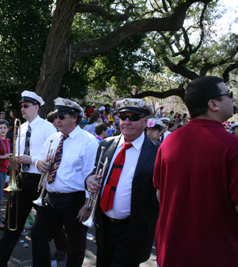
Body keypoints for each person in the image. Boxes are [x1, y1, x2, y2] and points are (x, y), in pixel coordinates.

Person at [153, 76, 238, 267]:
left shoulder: (168, 143)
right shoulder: (233, 146)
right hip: (218, 256)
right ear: (213, 104)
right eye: (229, 94)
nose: (232, 99)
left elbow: (160, 194)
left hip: (170, 253)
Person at [0, 90, 57, 267]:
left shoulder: (47, 127)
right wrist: (14, 161)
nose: (22, 109)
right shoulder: (20, 128)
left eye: (26, 106)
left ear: (36, 107)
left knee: (40, 231)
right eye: (21, 106)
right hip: (22, 179)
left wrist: (33, 160)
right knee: (12, 223)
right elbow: (18, 152)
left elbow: (53, 156)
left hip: (40, 181)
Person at [86, 98, 159, 267]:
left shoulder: (157, 151)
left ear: (146, 121)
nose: (127, 122)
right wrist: (88, 180)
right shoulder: (106, 144)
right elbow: (95, 173)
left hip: (133, 229)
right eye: (123, 116)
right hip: (104, 226)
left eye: (133, 117)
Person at [33, 97, 98, 267]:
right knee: (38, 236)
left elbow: (90, 177)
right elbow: (41, 157)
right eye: (55, 117)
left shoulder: (89, 141)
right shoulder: (54, 138)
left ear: (74, 117)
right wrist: (39, 163)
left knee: (76, 246)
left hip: (74, 200)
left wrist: (87, 205)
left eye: (61, 117)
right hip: (50, 198)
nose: (56, 120)